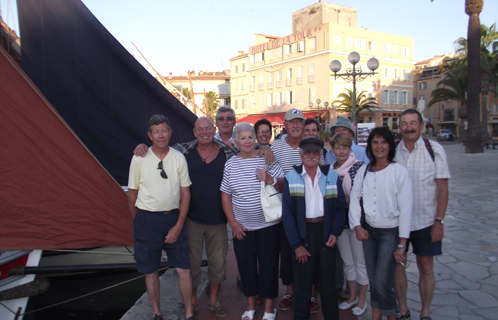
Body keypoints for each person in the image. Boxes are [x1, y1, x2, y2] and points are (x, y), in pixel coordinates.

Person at [133, 117, 238, 317]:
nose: (205, 132)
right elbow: (160, 147)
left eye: (208, 128)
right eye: (200, 129)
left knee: (218, 263)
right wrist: (142, 147)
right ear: (194, 131)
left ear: (213, 129)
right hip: (192, 218)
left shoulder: (228, 153)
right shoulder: (184, 151)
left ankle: (214, 300)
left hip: (218, 219)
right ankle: (193, 301)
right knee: (192, 263)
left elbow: (246, 156)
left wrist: (264, 150)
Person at [127, 115, 195, 320]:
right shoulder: (139, 158)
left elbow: (185, 194)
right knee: (151, 270)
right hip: (147, 220)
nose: (161, 135)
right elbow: (132, 194)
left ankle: (189, 311)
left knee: (184, 269)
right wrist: (139, 222)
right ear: (150, 135)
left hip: (174, 218)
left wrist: (178, 225)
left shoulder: (178, 158)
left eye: (164, 131)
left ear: (170, 133)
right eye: (156, 132)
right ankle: (157, 312)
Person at [220, 122, 284, 320]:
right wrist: (233, 223)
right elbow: (225, 196)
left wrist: (270, 179)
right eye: (242, 138)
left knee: (269, 266)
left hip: (268, 225)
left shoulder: (267, 158)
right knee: (246, 267)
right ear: (235, 141)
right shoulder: (230, 164)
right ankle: (250, 305)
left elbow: (283, 186)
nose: (247, 141)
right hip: (242, 228)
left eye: (250, 137)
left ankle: (268, 308)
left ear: (255, 139)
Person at [349, 127, 413, 320]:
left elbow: (406, 210)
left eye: (383, 142)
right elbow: (354, 200)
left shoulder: (400, 172)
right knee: (373, 278)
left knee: (382, 281)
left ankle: (391, 316)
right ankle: (376, 315)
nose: (379, 146)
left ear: (390, 146)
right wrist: (357, 226)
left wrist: (402, 244)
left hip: (390, 234)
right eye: (375, 142)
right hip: (369, 233)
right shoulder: (364, 171)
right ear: (370, 146)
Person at [282, 137, 348, 320]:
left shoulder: (332, 176)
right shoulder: (291, 177)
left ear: (321, 155)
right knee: (302, 285)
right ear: (301, 154)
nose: (311, 156)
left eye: (315, 153)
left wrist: (335, 232)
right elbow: (287, 215)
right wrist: (296, 245)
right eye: (307, 152)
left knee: (328, 284)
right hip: (303, 235)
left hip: (326, 232)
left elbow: (341, 207)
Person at [394, 109, 450, 320]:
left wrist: (439, 221)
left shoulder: (434, 150)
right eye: (405, 124)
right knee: (398, 268)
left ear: (421, 125)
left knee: (426, 267)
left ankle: (425, 312)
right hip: (398, 223)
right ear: (399, 127)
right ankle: (403, 310)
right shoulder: (393, 152)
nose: (409, 127)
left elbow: (442, 189)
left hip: (425, 221)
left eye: (413, 123)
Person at [330, 133, 369, 316]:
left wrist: (346, 200)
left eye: (345, 147)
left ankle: (362, 298)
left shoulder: (360, 168)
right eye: (338, 148)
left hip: (357, 223)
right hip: (339, 224)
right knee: (347, 262)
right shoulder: (330, 170)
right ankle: (352, 295)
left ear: (350, 149)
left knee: (360, 262)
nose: (341, 151)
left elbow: (365, 196)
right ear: (333, 150)